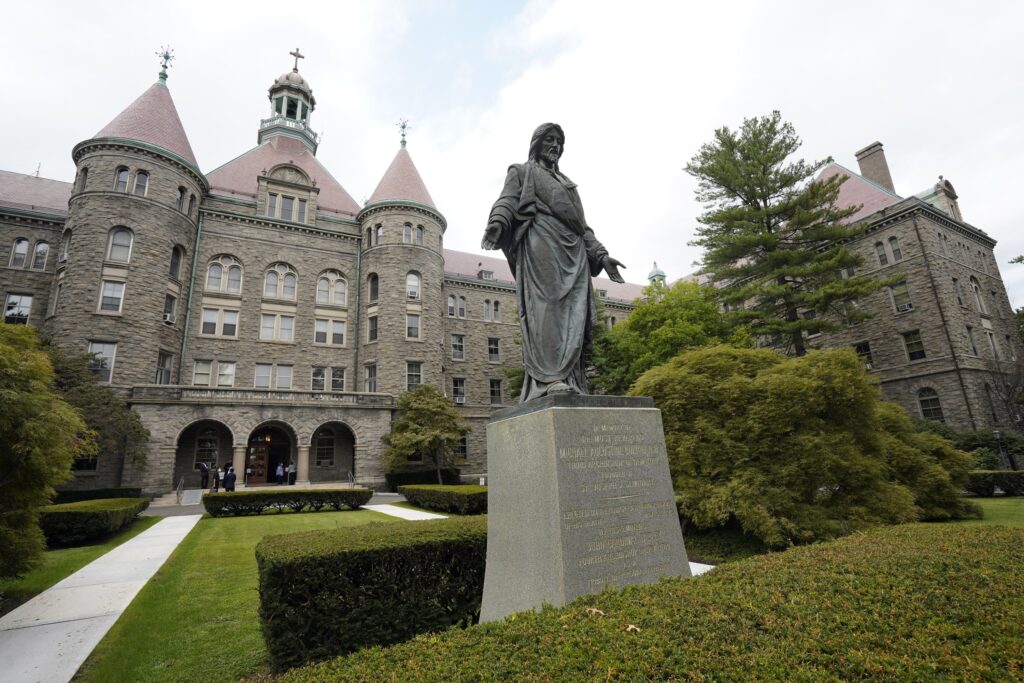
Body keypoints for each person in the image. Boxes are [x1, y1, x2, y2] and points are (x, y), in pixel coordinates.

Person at [482, 123, 625, 401]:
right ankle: (550, 377)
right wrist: (497, 223)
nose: (555, 146)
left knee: (575, 316)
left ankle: (573, 379)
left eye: (559, 141)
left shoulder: (568, 185)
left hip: (574, 254)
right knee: (547, 310)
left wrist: (601, 255)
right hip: (541, 244)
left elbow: (583, 227)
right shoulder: (521, 172)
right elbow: (507, 201)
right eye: (550, 139)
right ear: (537, 143)